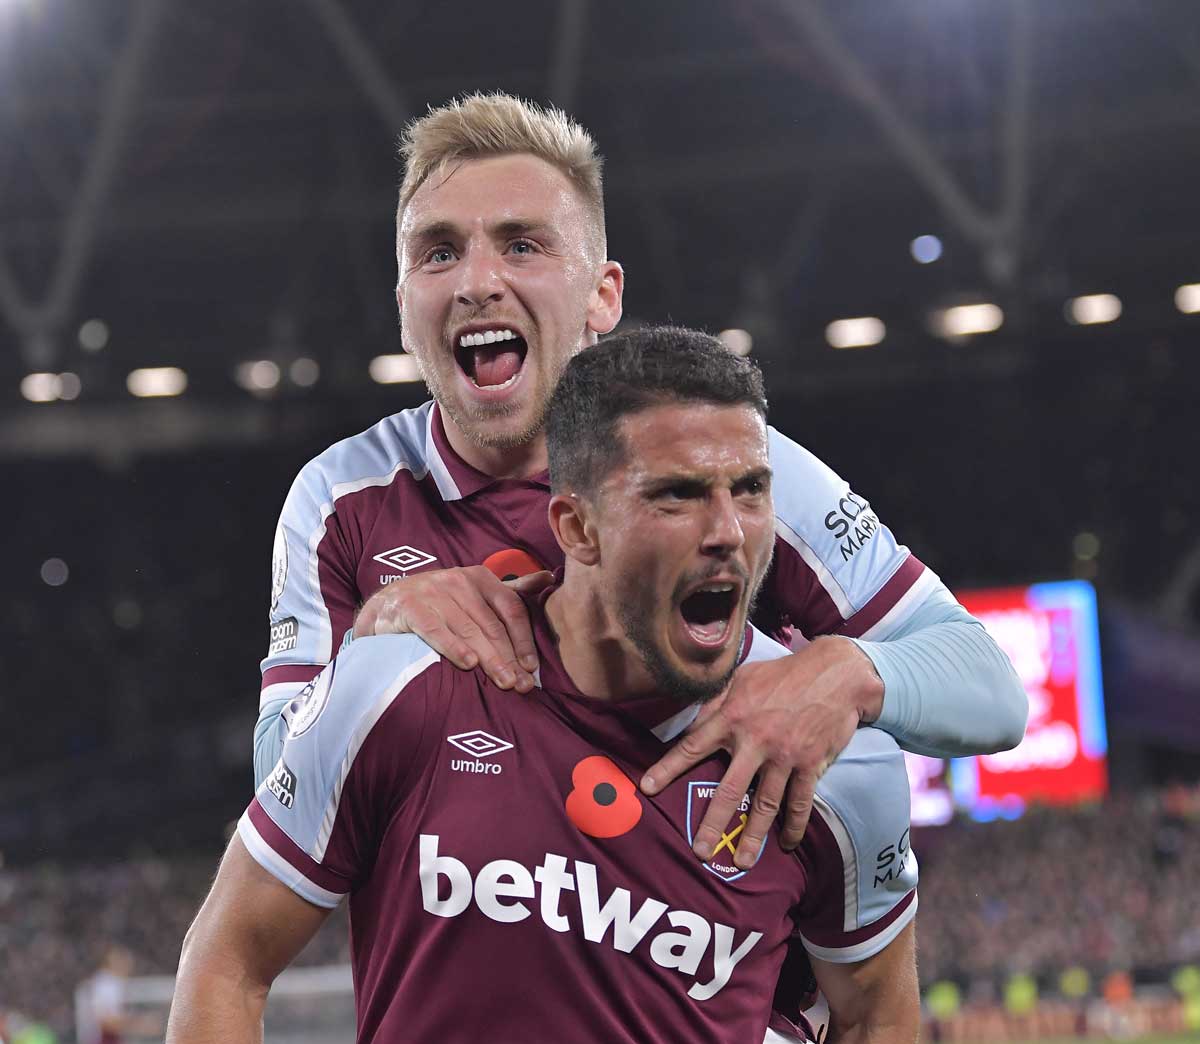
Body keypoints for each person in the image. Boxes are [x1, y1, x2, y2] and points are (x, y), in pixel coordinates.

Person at [256, 92, 1025, 867]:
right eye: (439, 251)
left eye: (522, 245)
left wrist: (849, 674)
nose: (476, 282)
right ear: (403, 307)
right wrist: (372, 635)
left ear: (603, 295)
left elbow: (991, 688)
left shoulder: (732, 468)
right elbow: (275, 795)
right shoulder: (339, 501)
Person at [170, 329, 919, 1043]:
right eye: (677, 495)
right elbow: (226, 962)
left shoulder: (838, 766)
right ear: (577, 528)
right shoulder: (394, 689)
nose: (727, 530)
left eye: (750, 490)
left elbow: (876, 1018)